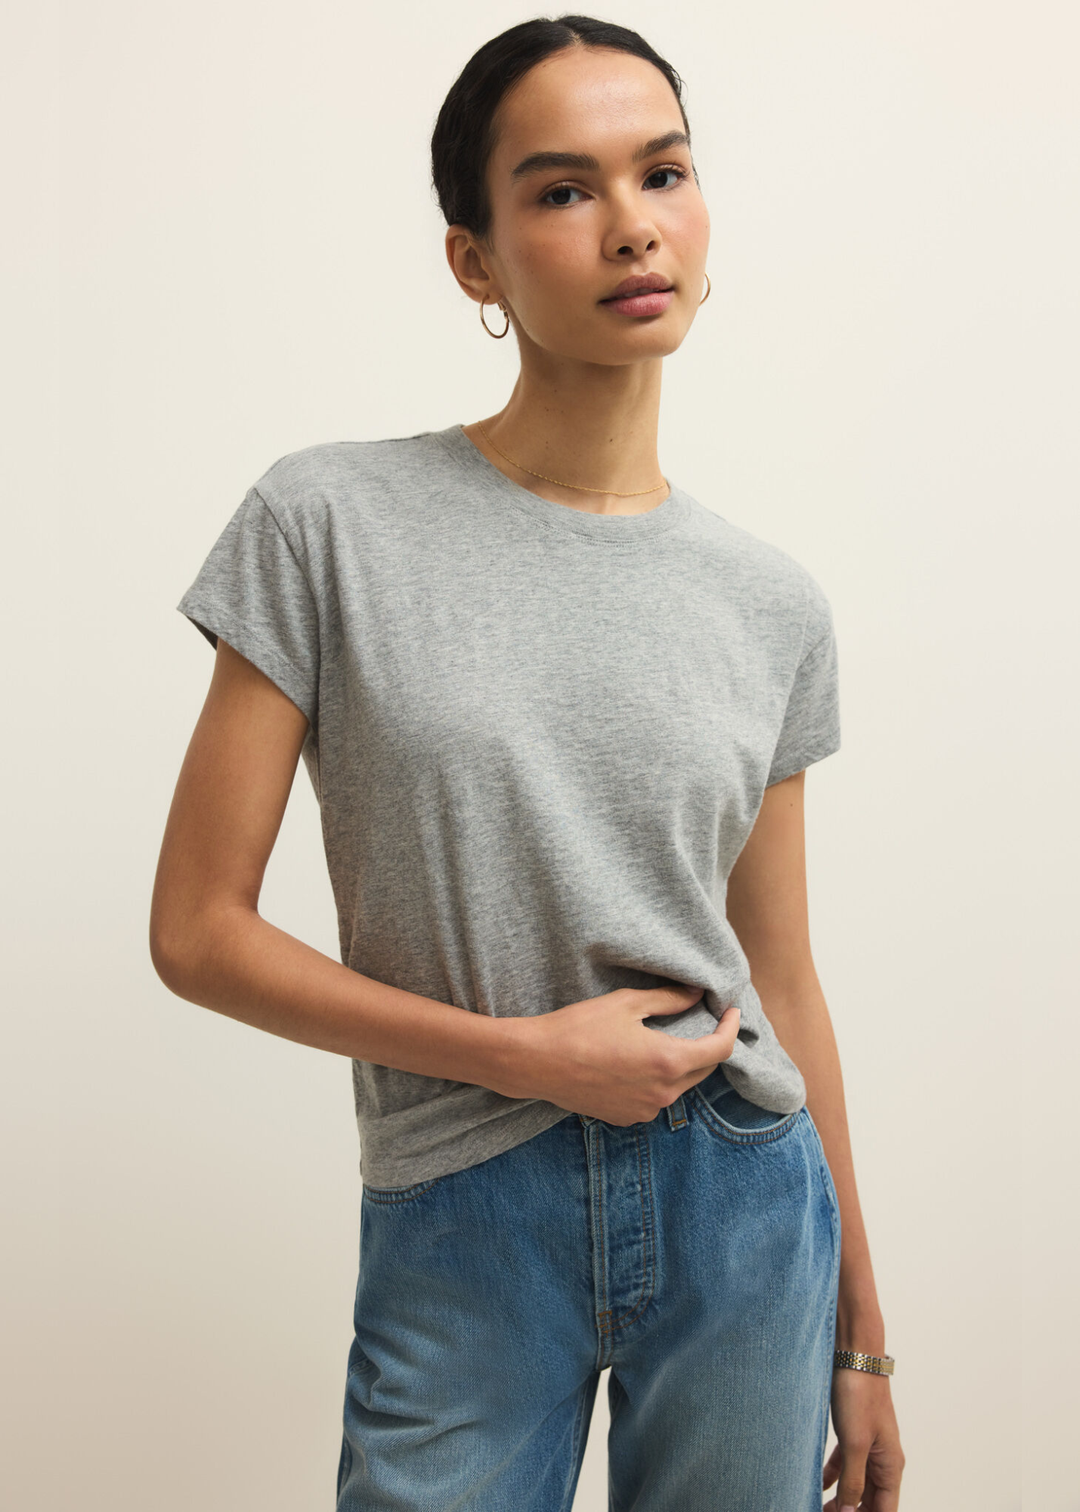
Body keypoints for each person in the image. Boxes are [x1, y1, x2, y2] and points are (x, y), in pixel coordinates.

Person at [150, 14, 905, 1511]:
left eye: (664, 173)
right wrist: (525, 1056)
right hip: (462, 1191)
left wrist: (865, 1336)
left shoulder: (770, 601)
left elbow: (785, 976)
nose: (632, 225)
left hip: (743, 1191)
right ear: (475, 260)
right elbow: (196, 935)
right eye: (562, 191)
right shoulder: (329, 525)